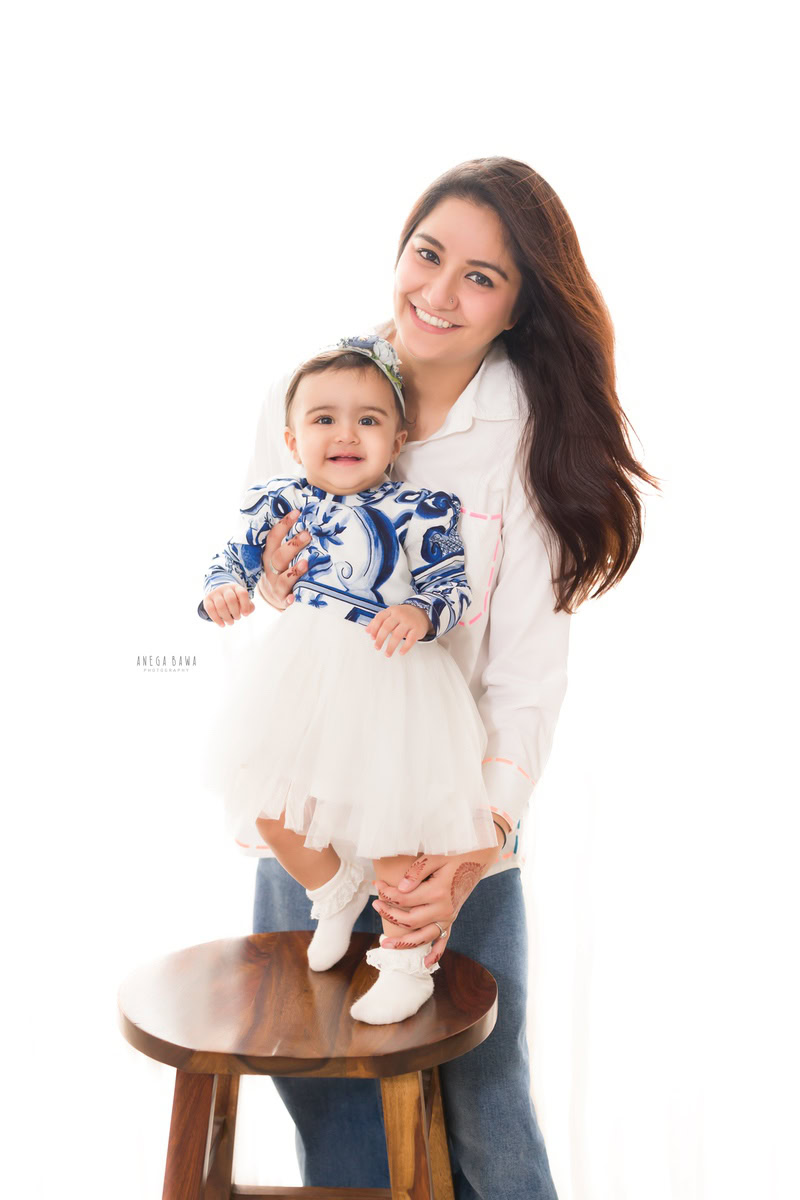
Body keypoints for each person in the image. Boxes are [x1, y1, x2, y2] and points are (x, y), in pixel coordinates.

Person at [236, 158, 657, 1199]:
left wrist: (475, 847)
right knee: (331, 1100)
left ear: (519, 306)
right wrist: (270, 580)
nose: (436, 292)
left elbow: (525, 675)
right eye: (427, 255)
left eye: (480, 277)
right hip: (320, 812)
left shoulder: (528, 441)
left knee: (481, 1106)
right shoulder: (317, 386)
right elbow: (271, 575)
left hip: (447, 817)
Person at [200, 334, 501, 1024]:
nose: (345, 433)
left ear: (397, 438)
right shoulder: (280, 505)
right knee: (269, 801)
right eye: (324, 419)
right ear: (291, 437)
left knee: (391, 825)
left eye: (368, 419)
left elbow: (452, 590)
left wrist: (420, 613)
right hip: (306, 677)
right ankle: (335, 888)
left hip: (392, 681)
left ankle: (404, 962)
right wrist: (226, 587)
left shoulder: (420, 512)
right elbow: (235, 558)